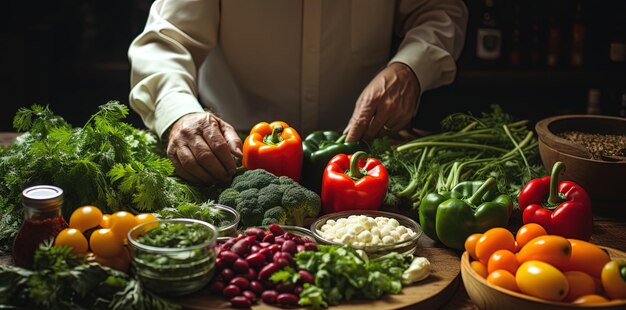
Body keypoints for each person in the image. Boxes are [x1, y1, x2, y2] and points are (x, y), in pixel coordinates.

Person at [129, 0, 468, 185]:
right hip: (230, 163)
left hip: (359, 163)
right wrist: (179, 113)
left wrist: (410, 69)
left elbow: (439, 10)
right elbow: (164, 40)